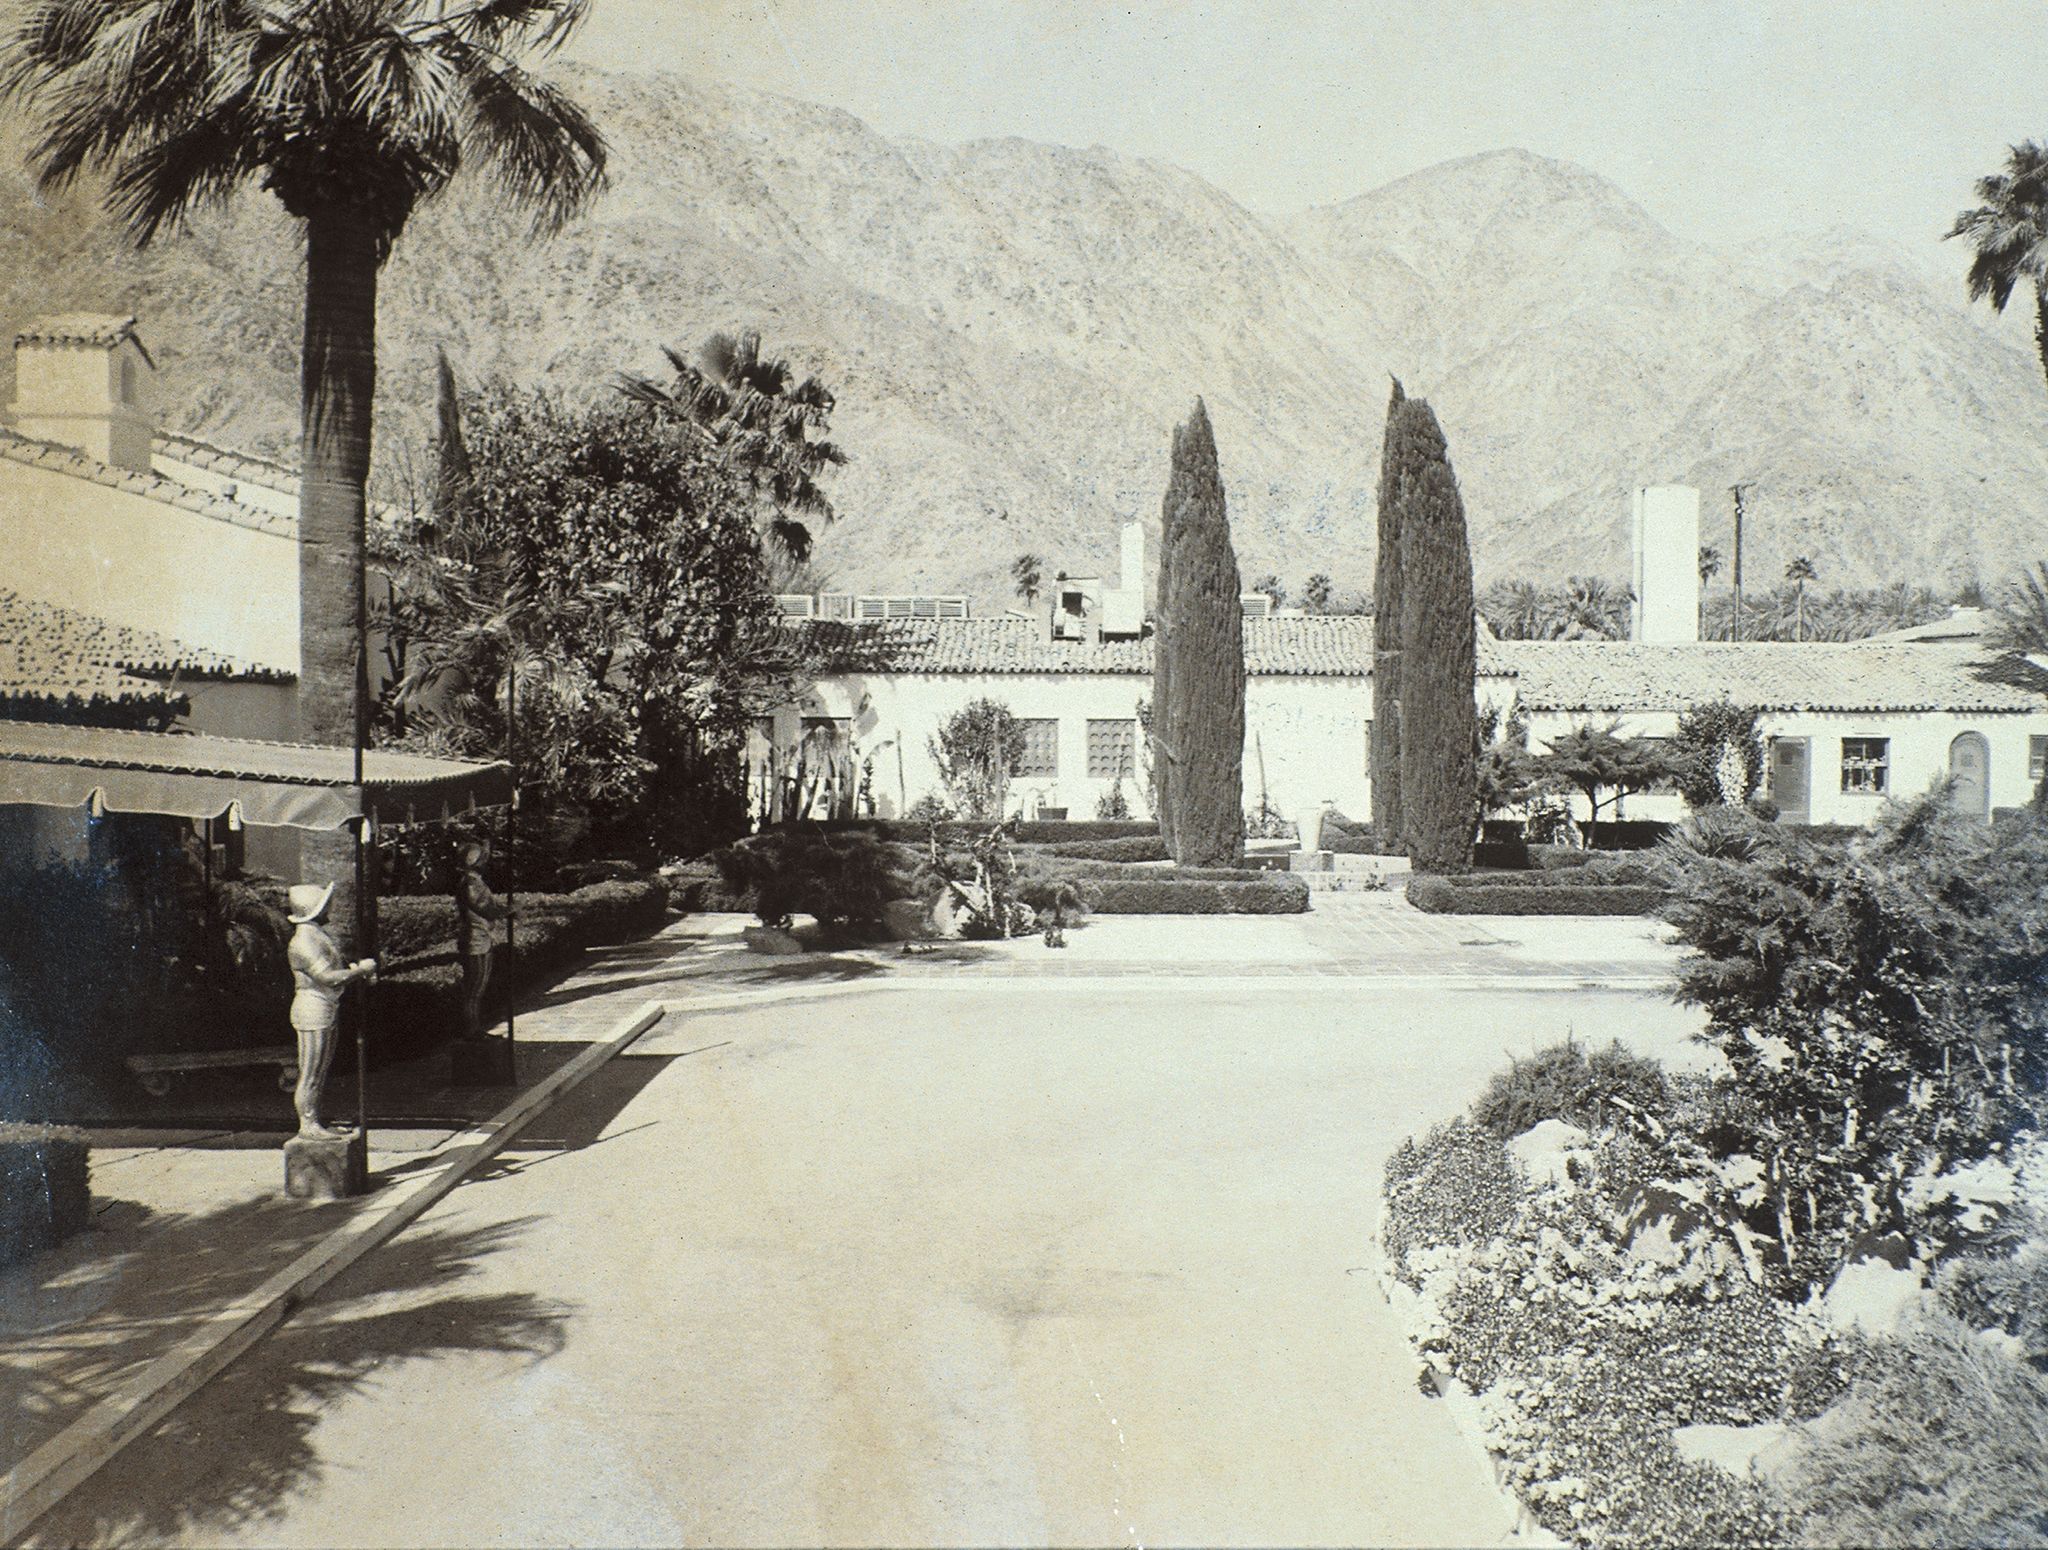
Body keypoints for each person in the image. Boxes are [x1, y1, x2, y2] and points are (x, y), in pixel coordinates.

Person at [285, 882, 375, 1139]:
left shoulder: (315, 935)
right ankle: (308, 1124)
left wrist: (353, 970)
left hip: (325, 1006)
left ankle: (316, 1120)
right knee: (311, 1071)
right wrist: (360, 971)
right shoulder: (304, 941)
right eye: (325, 905)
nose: (330, 910)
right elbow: (327, 977)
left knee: (320, 1070)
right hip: (312, 1009)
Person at [455, 836, 511, 1041]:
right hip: (475, 940)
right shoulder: (470, 884)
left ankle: (475, 1029)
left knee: (477, 989)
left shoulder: (474, 882)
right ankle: (471, 1031)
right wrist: (509, 910)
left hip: (481, 937)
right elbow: (487, 909)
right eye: (481, 859)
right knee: (474, 989)